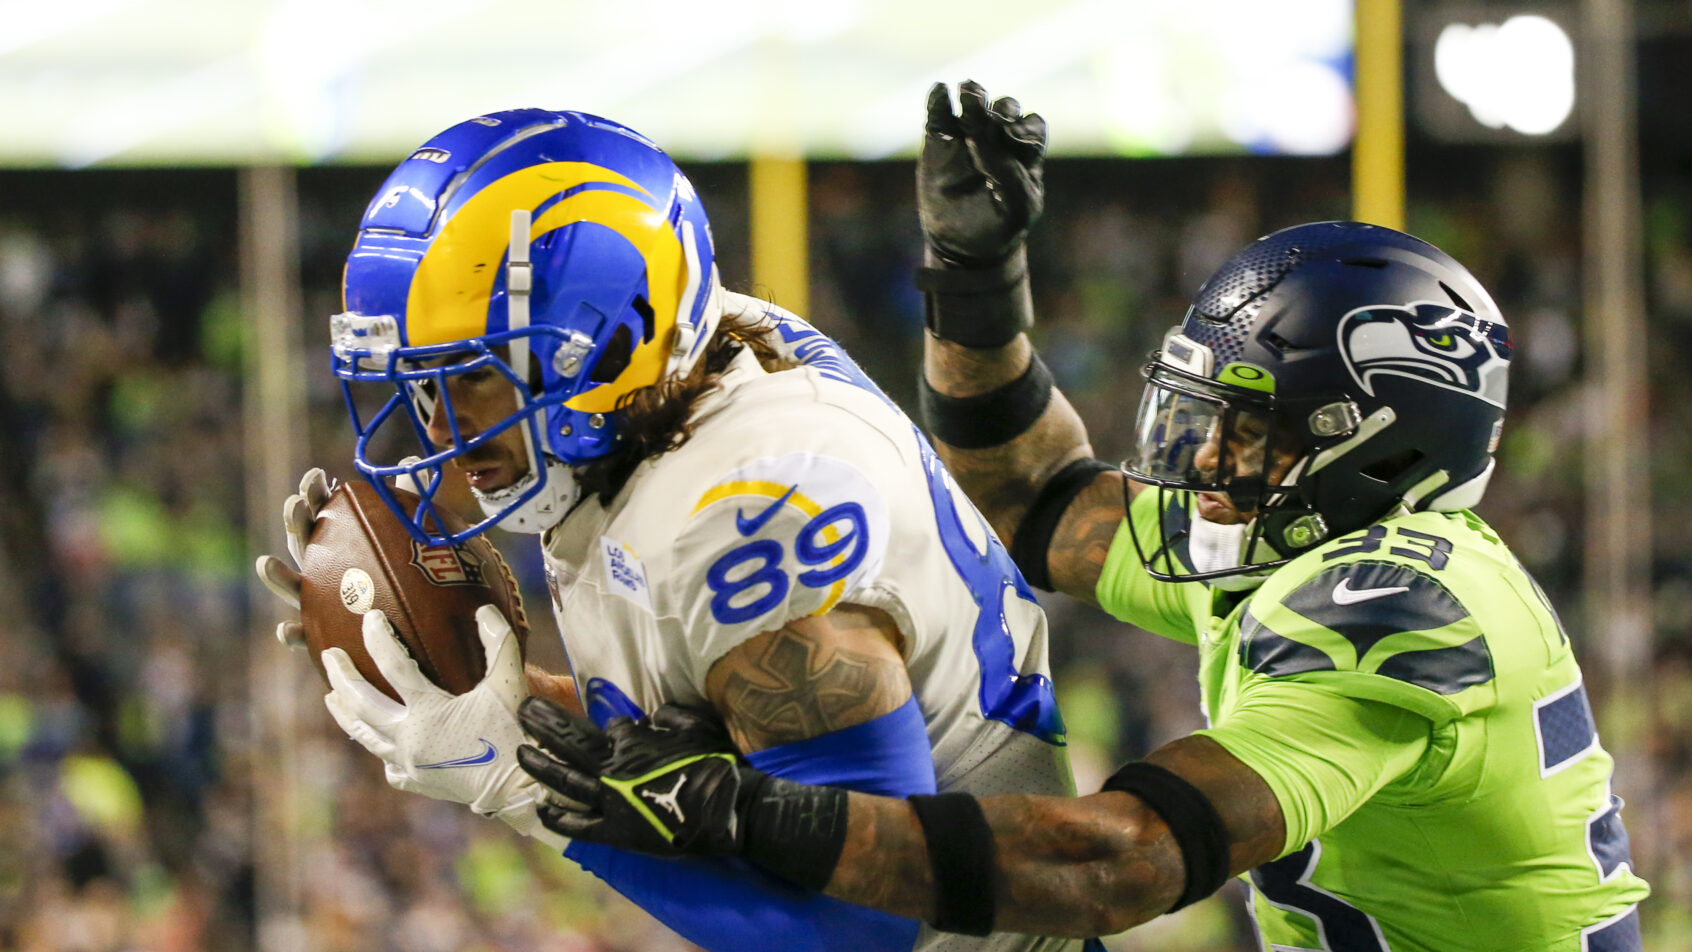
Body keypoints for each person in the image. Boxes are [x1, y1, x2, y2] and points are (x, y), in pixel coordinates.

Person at [513, 83, 1653, 951]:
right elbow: (1031, 496)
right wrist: (974, 281)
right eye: (1202, 414)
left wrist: (754, 814)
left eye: (1247, 429)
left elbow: (1120, 863)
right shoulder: (1293, 543)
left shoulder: (1401, 603)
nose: (1204, 460)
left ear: (1381, 443)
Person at [253, 106, 1085, 952]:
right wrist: (503, 692)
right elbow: (715, 736)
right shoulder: (680, 368)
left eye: (471, 377)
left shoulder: (748, 519)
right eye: (423, 385)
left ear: (607, 343)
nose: (438, 430)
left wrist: (518, 782)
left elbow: (862, 930)